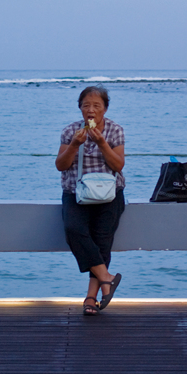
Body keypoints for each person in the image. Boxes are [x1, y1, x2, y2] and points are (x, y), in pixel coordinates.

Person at [55, 85, 125, 316]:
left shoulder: (115, 130)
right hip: (77, 192)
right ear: (80, 109)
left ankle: (90, 298)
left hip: (109, 193)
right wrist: (75, 144)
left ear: (105, 109)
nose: (91, 110)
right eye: (86, 106)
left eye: (97, 106)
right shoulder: (70, 131)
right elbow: (61, 166)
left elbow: (118, 165)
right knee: (73, 229)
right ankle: (107, 278)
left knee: (102, 241)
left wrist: (102, 143)